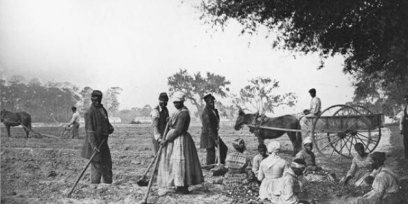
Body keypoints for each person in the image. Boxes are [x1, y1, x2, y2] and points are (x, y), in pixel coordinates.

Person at [157, 91, 204, 194]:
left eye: (177, 102)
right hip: (176, 139)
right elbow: (174, 125)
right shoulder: (179, 111)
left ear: (182, 102)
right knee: (176, 163)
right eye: (174, 102)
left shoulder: (183, 113)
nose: (175, 104)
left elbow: (178, 130)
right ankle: (179, 185)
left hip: (180, 139)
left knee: (182, 163)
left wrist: (167, 140)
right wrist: (170, 121)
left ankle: (183, 187)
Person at [80, 90, 114, 184]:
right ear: (92, 99)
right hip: (95, 145)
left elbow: (107, 123)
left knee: (107, 165)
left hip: (104, 144)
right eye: (95, 100)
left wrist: (110, 128)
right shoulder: (89, 113)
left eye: (99, 100)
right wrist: (94, 146)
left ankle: (108, 186)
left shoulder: (103, 110)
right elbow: (89, 131)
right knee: (96, 167)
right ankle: (94, 188)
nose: (97, 102)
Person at [200, 93, 228, 166]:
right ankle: (209, 166)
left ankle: (220, 163)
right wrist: (215, 138)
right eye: (210, 102)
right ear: (207, 103)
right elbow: (209, 127)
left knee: (223, 148)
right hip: (208, 134)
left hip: (213, 133)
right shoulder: (206, 112)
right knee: (211, 151)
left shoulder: (214, 111)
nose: (212, 103)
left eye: (213, 102)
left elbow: (216, 120)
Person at [399, 94, 408, 159]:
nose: (407, 101)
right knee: (405, 142)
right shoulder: (405, 108)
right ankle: (406, 156)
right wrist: (401, 128)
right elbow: (401, 118)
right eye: (407, 100)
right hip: (405, 128)